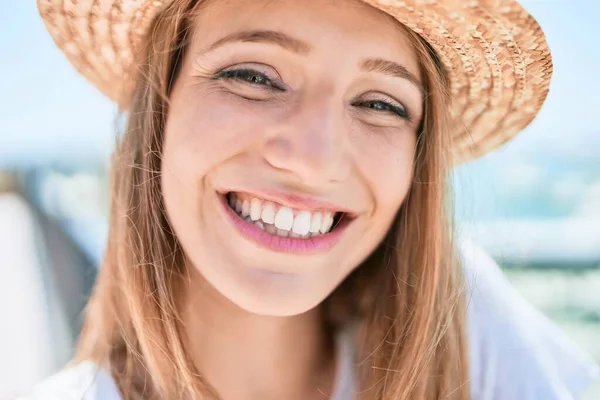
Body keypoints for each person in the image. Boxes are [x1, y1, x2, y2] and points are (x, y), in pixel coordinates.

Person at [23, 0, 597, 399]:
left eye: (381, 104)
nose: (315, 159)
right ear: (161, 109)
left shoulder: (464, 324)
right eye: (254, 75)